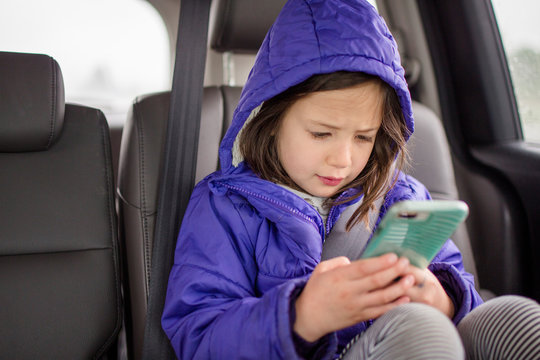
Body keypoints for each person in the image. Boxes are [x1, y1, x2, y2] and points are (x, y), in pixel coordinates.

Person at [162, 0, 540, 359]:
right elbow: (197, 336)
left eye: (363, 137)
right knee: (421, 329)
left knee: (515, 317)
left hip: (406, 336)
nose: (343, 160)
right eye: (321, 134)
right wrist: (302, 315)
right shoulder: (226, 205)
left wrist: (443, 298)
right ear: (270, 121)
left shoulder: (401, 197)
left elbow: (462, 291)